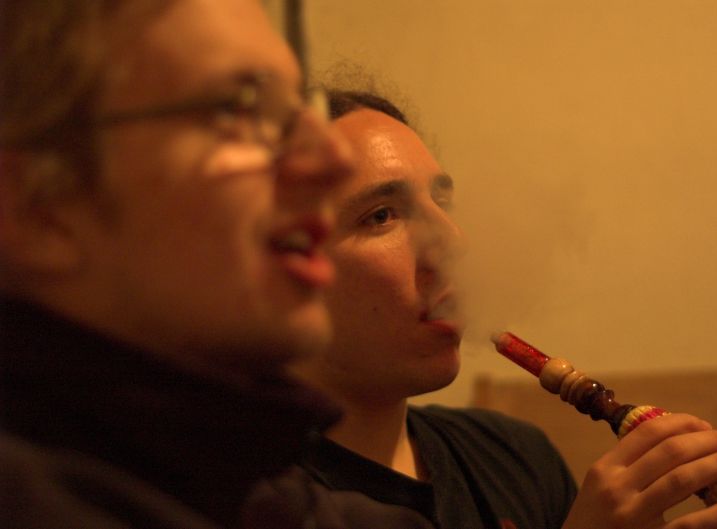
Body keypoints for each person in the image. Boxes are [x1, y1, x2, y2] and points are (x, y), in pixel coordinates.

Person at [0, 2, 434, 528]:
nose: (333, 161)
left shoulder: (242, 482)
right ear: (39, 206)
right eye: (241, 109)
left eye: (301, 110)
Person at [292, 90, 717, 529]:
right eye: (382, 215)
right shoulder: (263, 502)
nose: (454, 241)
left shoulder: (515, 455)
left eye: (443, 202)